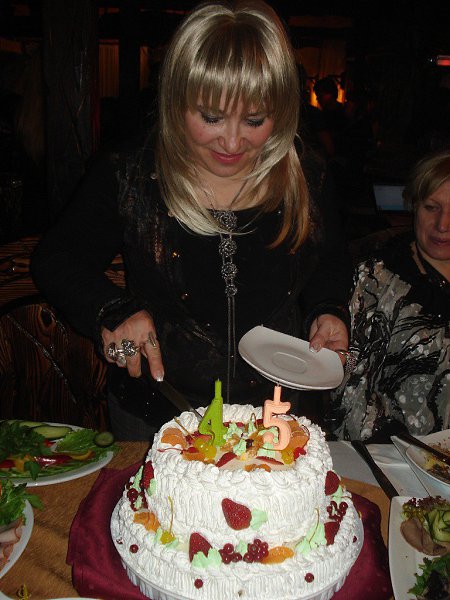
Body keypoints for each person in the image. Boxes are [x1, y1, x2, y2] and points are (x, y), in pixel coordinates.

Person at [31, 0, 352, 440]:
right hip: (159, 417)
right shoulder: (131, 174)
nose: (233, 142)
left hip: (280, 416)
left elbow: (331, 259)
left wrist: (328, 308)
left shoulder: (307, 175)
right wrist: (113, 309)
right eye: (211, 117)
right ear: (177, 100)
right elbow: (56, 259)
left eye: (255, 119)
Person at [327, 150, 450, 442]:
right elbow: (349, 386)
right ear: (413, 205)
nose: (442, 224)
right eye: (431, 207)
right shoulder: (376, 281)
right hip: (394, 455)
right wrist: (404, 448)